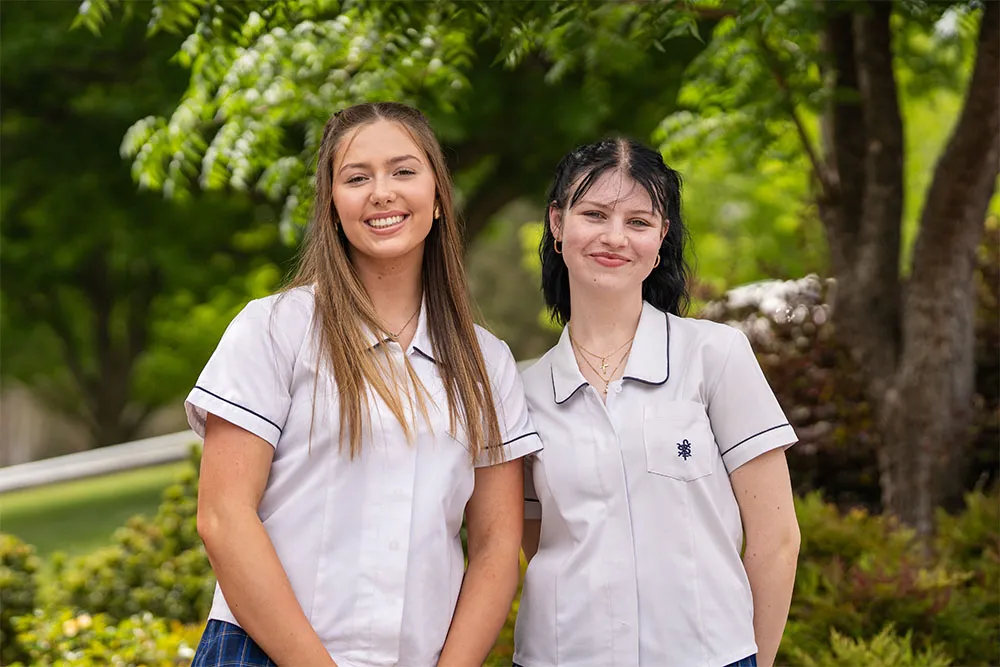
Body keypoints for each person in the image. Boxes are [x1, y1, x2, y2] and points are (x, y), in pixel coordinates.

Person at [186, 102, 541, 667]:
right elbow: (224, 518)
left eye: (403, 171)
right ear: (331, 206)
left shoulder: (486, 364)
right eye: (357, 177)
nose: (382, 192)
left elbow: (497, 546)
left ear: (438, 195)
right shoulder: (275, 329)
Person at [514, 138, 800, 667]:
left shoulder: (715, 355)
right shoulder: (522, 390)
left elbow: (777, 539)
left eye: (639, 222)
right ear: (557, 224)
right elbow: (538, 543)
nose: (614, 237)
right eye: (594, 214)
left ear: (662, 236)